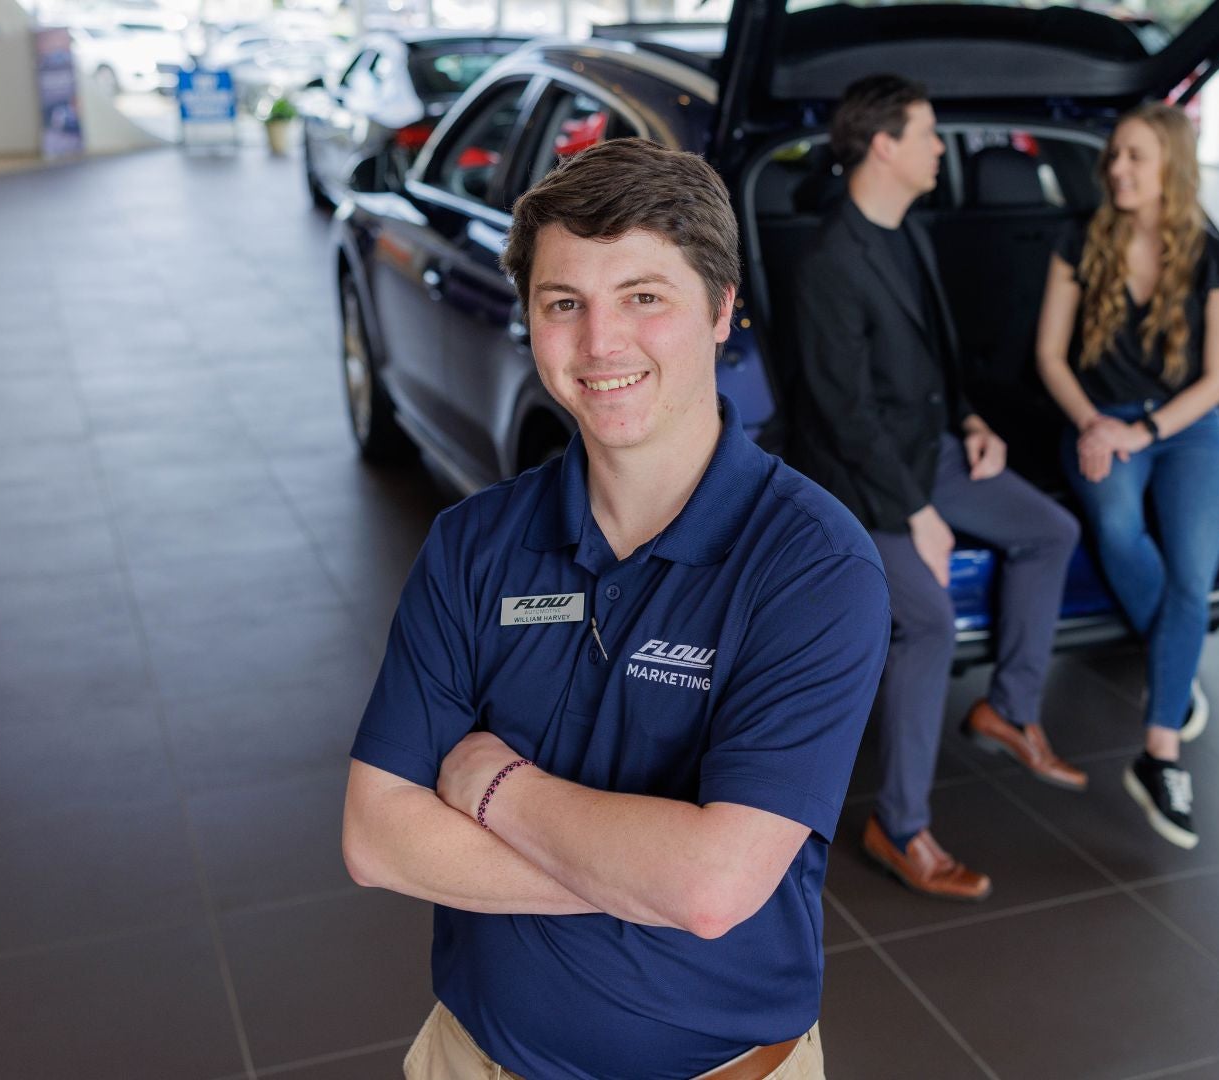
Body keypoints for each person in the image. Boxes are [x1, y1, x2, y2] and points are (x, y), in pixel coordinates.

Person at [341, 137, 891, 1080]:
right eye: (565, 304)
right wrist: (647, 876)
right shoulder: (473, 544)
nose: (601, 343)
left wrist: (491, 788)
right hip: (472, 1062)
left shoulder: (814, 565)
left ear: (721, 311)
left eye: (644, 297)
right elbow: (376, 838)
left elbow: (715, 888)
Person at [790, 74, 1084, 903]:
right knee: (926, 621)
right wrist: (917, 514)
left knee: (1049, 531)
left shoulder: (906, 232)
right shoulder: (827, 262)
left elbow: (930, 363)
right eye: (926, 133)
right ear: (884, 145)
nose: (938, 148)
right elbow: (842, 416)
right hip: (856, 482)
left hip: (931, 453)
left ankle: (1009, 709)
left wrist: (969, 421)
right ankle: (902, 827)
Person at [1033, 102, 1219, 851]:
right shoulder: (1079, 242)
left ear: (1172, 171)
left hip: (1187, 429)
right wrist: (1097, 424)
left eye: (1136, 158)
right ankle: (1175, 667)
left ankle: (1159, 755)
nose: (1119, 170)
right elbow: (1051, 357)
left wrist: (1145, 430)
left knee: (1194, 579)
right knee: (1120, 528)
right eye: (1115, 156)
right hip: (1100, 420)